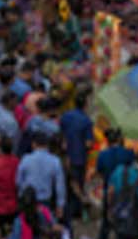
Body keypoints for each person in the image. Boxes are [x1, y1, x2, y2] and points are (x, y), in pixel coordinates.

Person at [60, 87, 94, 222]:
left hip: (66, 155)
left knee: (68, 182)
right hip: (79, 157)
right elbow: (88, 144)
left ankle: (66, 208)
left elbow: (60, 132)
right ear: (85, 105)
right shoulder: (86, 121)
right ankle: (76, 210)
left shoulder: (66, 116)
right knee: (78, 183)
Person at [17, 131, 67, 220]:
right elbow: (60, 185)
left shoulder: (26, 159)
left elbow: (18, 181)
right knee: (44, 226)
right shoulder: (55, 161)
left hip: (28, 200)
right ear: (47, 145)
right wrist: (60, 205)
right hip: (45, 201)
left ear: (34, 144)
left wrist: (22, 194)